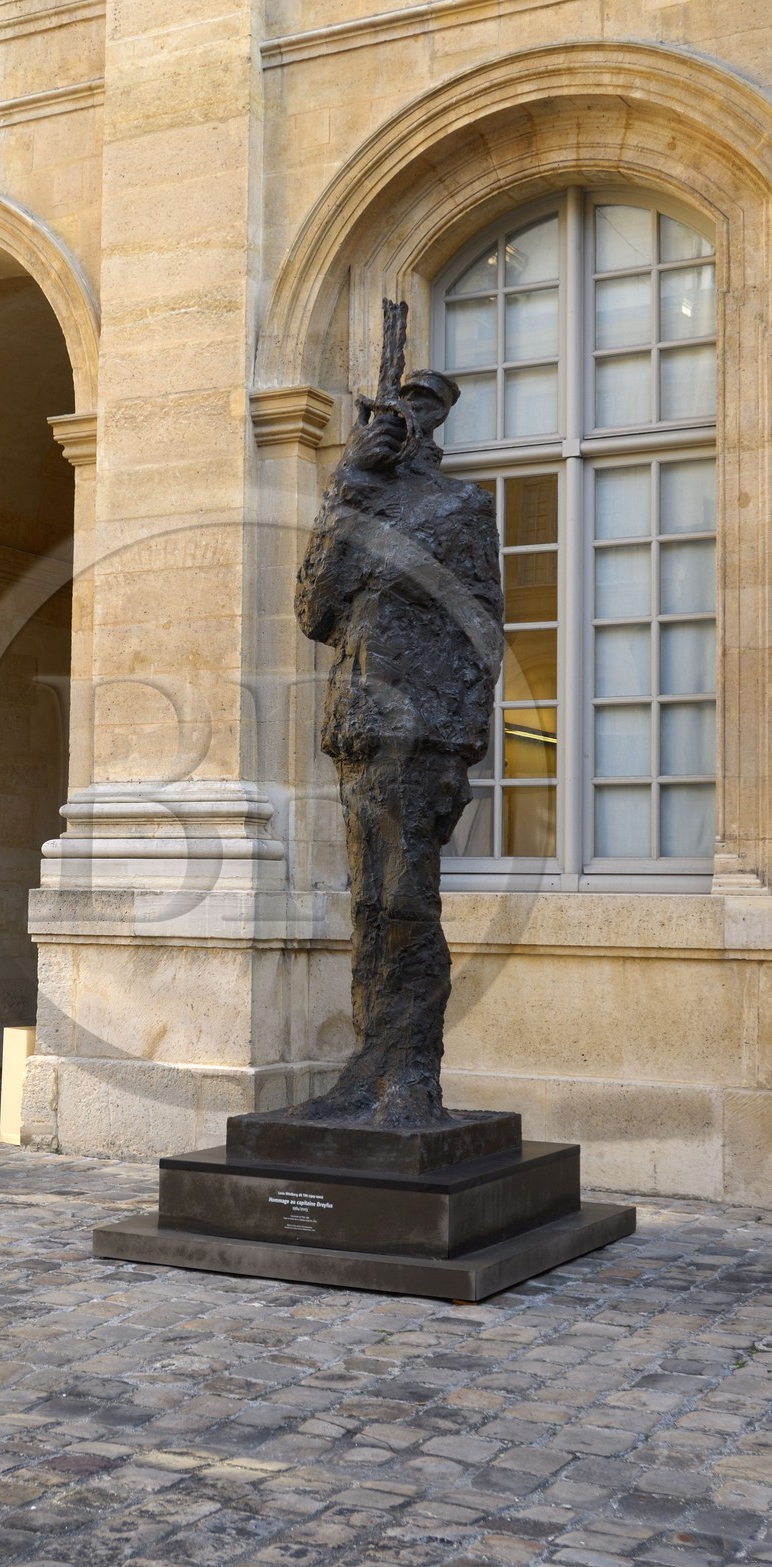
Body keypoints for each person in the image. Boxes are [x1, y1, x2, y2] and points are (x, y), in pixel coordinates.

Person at [293, 323, 503, 1128]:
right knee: (372, 909)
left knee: (409, 902)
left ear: (434, 425)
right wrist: (348, 485)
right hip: (360, 731)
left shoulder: (460, 508)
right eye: (391, 409)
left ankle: (411, 1075)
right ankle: (368, 1072)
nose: (402, 422)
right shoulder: (352, 496)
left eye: (415, 409)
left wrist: (464, 739)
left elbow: (485, 627)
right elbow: (314, 611)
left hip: (427, 734)